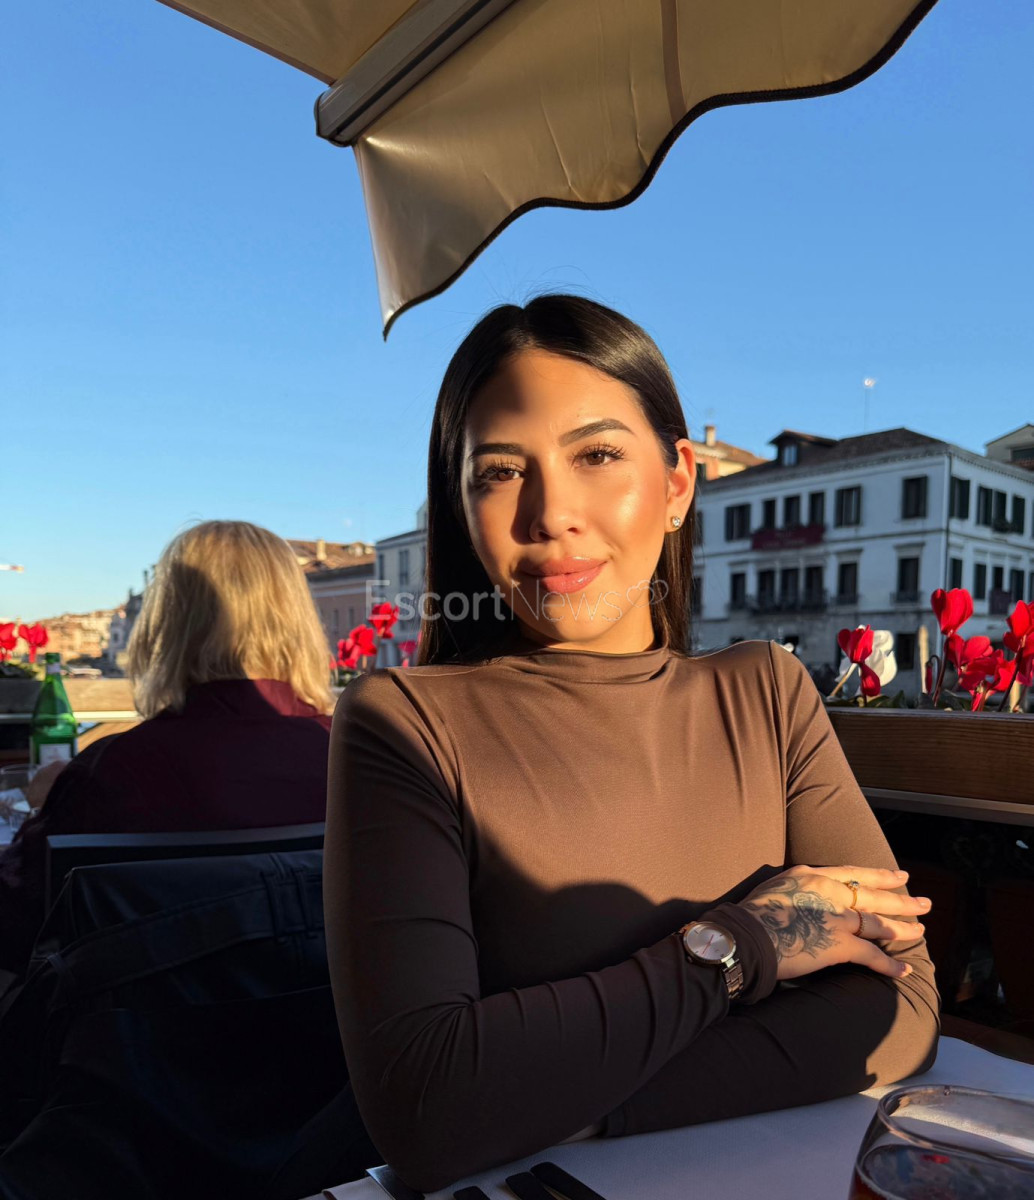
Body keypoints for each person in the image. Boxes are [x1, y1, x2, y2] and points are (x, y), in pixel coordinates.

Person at [323, 295, 939, 1193]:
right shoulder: (402, 723)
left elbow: (902, 1006)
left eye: (598, 454)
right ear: (461, 506)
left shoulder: (767, 692)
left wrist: (561, 1097)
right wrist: (745, 943)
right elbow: (425, 1108)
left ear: (679, 482)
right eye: (500, 472)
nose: (551, 513)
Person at [0, 520, 335, 977]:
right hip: (333, 1018)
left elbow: (15, 927)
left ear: (166, 624)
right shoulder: (360, 758)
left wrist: (43, 807)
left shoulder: (112, 772)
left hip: (150, 1021)